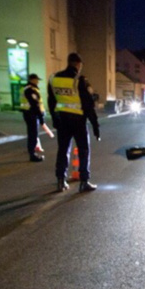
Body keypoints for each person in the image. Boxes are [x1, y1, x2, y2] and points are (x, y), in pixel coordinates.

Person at [48, 53, 100, 193]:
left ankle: (60, 180)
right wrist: (95, 126)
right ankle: (84, 181)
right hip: (78, 121)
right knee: (83, 150)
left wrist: (55, 119)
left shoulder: (54, 79)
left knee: (63, 150)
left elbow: (51, 101)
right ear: (78, 64)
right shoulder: (79, 80)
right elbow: (88, 105)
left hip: (62, 120)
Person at [20, 74, 46, 162]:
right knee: (33, 135)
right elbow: (35, 104)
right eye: (36, 80)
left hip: (28, 113)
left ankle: (32, 153)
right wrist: (41, 116)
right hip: (32, 114)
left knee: (32, 134)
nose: (38, 81)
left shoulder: (26, 88)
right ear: (32, 80)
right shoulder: (30, 90)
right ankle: (32, 155)